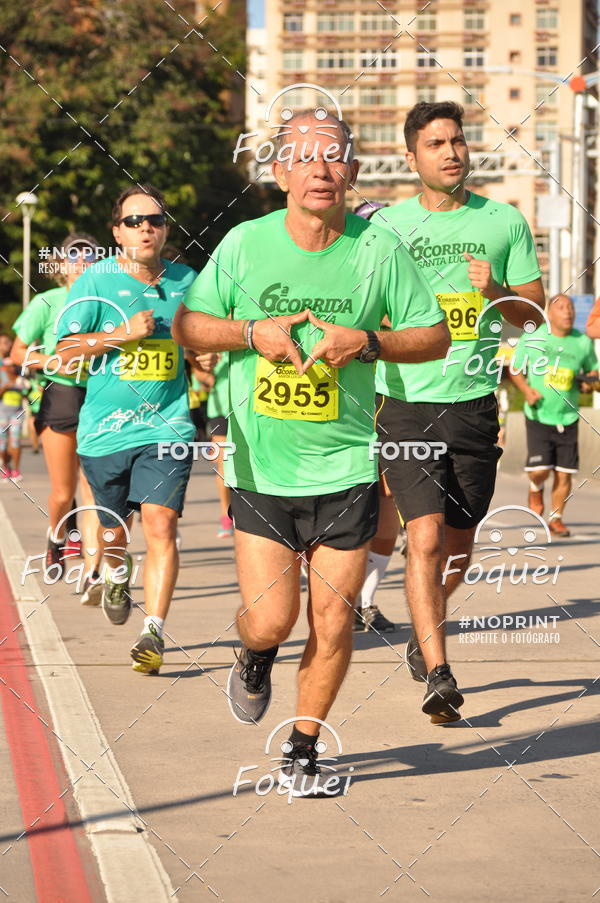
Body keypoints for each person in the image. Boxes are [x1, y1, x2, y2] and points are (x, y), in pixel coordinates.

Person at [173, 109, 449, 793]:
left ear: (353, 171)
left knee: (333, 616)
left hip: (349, 465)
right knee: (273, 616)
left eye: (334, 157)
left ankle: (303, 747)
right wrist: (251, 332)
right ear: (279, 172)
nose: (320, 168)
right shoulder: (243, 245)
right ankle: (254, 653)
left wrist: (369, 342)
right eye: (303, 156)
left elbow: (435, 334)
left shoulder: (378, 249)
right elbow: (186, 325)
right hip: (265, 466)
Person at [366, 101, 544, 722]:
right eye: (436, 143)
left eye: (458, 142)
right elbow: (359, 307)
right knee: (424, 536)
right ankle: (439, 673)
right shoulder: (384, 228)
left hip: (474, 405)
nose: (451, 152)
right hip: (406, 402)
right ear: (411, 157)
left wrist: (496, 291)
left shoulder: (504, 222)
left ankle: (424, 626)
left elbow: (534, 316)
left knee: (458, 550)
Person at [55, 184, 196, 675]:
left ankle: (152, 632)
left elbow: (204, 337)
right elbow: (65, 352)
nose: (145, 229)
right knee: (115, 535)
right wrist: (121, 335)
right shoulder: (94, 281)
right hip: (105, 433)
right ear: (117, 230)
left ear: (165, 227)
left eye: (154, 220)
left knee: (161, 525)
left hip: (168, 427)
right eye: (134, 221)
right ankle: (117, 576)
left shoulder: (186, 281)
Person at [11, 235, 103, 600]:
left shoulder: (106, 302)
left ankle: (93, 571)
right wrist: (53, 361)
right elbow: (20, 352)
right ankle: (56, 537)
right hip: (60, 393)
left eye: (89, 257)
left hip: (100, 395)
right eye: (73, 257)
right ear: (61, 266)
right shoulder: (47, 302)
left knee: (94, 486)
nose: (81, 263)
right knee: (64, 492)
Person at [510, 294, 598, 536]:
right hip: (538, 414)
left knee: (564, 473)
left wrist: (591, 383)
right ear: (549, 314)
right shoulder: (533, 337)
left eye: (570, 307)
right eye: (561, 307)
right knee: (540, 470)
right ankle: (535, 486)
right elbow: (515, 368)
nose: (568, 312)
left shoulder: (582, 342)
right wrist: (527, 390)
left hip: (567, 415)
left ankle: (556, 518)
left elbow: (593, 370)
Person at [205, 353, 233, 538]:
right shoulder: (213, 333)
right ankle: (226, 515)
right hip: (220, 409)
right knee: (223, 462)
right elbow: (202, 377)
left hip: (250, 407)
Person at [0, 354, 28, 482]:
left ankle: (16, 470)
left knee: (16, 441)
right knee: (2, 444)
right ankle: (5, 469)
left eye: (13, 365)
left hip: (17, 413)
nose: (11, 368)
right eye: (8, 366)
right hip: (2, 414)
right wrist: (4, 388)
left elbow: (27, 393)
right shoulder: (2, 377)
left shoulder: (21, 378)